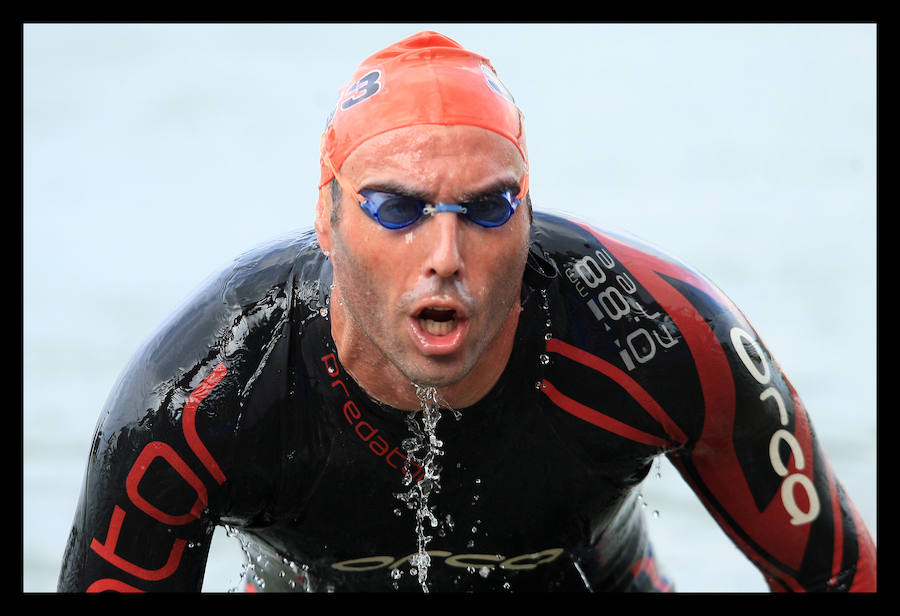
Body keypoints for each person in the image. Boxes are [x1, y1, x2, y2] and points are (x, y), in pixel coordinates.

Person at [57, 30, 876, 593]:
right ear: (327, 218)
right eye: (398, 208)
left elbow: (844, 577)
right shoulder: (198, 395)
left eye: (486, 208)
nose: (445, 253)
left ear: (526, 218)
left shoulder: (665, 339)